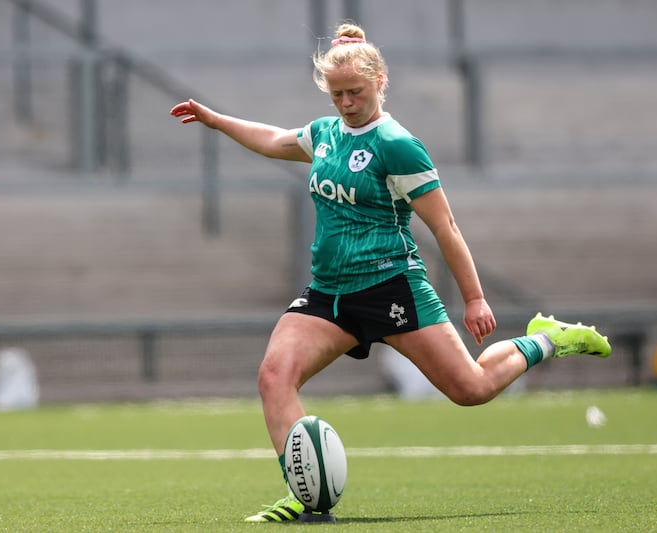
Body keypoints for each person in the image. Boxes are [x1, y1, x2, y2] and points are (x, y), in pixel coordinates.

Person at [170, 22, 612, 523]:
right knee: (274, 376)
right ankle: (306, 495)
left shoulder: (397, 144)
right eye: (337, 94)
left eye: (355, 92)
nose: (346, 103)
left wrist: (474, 298)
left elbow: (445, 226)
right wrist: (216, 120)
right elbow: (274, 139)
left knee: (471, 389)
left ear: (380, 81)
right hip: (329, 294)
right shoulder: (326, 134)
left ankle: (546, 339)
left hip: (391, 287)